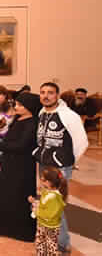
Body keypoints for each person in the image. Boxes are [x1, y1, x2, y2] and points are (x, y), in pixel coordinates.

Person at [34, 82, 88, 254]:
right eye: (42, 92)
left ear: (57, 95)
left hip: (60, 168)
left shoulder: (68, 115)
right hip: (44, 165)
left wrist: (69, 161)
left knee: (56, 206)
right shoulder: (42, 112)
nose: (46, 96)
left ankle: (63, 244)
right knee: (46, 204)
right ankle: (49, 240)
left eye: (50, 92)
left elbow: (81, 142)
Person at [0, 92, 41, 242]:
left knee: (20, 195)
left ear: (29, 107)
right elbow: (7, 137)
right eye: (17, 104)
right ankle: (6, 227)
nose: (16, 107)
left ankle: (21, 230)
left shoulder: (32, 123)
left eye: (20, 105)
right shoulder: (17, 119)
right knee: (8, 195)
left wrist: (0, 145)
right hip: (9, 163)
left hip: (22, 165)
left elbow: (22, 145)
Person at [28, 167, 68, 256]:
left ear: (50, 182)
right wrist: (35, 202)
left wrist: (36, 211)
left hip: (51, 227)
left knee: (51, 247)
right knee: (40, 243)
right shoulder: (46, 192)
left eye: (43, 180)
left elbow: (49, 214)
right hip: (42, 224)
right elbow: (44, 205)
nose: (41, 182)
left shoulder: (55, 198)